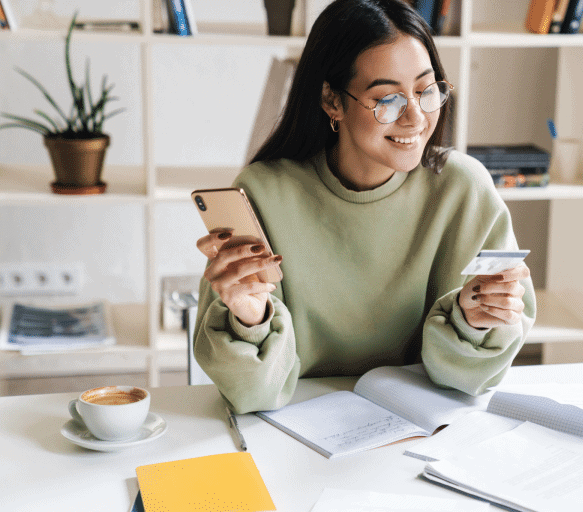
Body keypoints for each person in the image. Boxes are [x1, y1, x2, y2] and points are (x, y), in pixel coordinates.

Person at [193, 0, 536, 413]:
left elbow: (467, 383)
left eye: (427, 91)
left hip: (424, 427)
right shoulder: (264, 192)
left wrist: (475, 322)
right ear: (332, 101)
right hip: (294, 428)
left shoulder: (464, 190)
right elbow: (254, 395)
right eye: (388, 99)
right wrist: (249, 319)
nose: (415, 118)